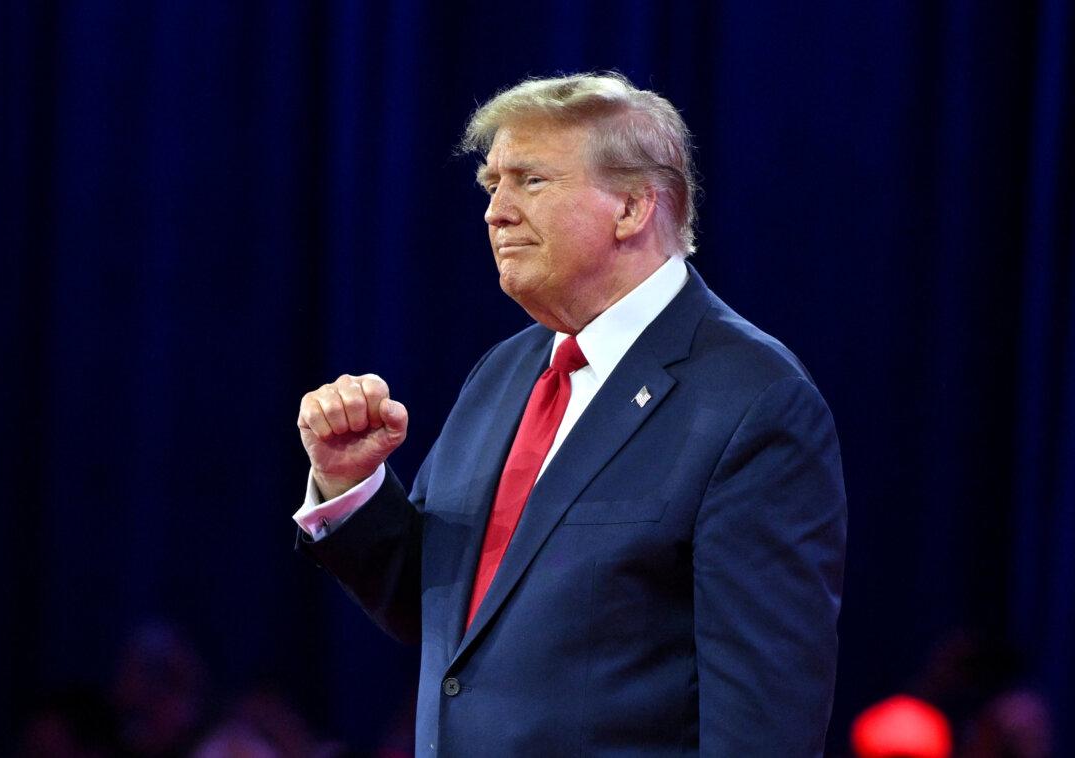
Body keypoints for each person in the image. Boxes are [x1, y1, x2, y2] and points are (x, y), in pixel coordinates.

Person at [293, 72, 846, 756]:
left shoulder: (753, 400)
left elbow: (765, 726)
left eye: (529, 181)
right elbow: (440, 608)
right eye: (491, 185)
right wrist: (353, 485)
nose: (495, 211)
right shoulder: (504, 373)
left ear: (633, 206)